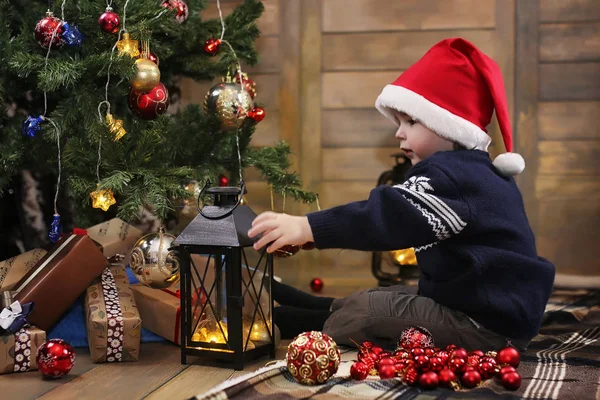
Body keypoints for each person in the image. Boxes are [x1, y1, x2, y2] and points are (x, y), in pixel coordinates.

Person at [249, 38, 555, 351]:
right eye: (399, 122)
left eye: (411, 121)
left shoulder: (454, 175)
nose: (399, 132)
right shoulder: (466, 170)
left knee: (369, 314)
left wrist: (308, 226)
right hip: (470, 301)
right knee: (382, 296)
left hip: (488, 326)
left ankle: (293, 321)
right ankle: (310, 305)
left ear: (448, 126)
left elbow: (387, 216)